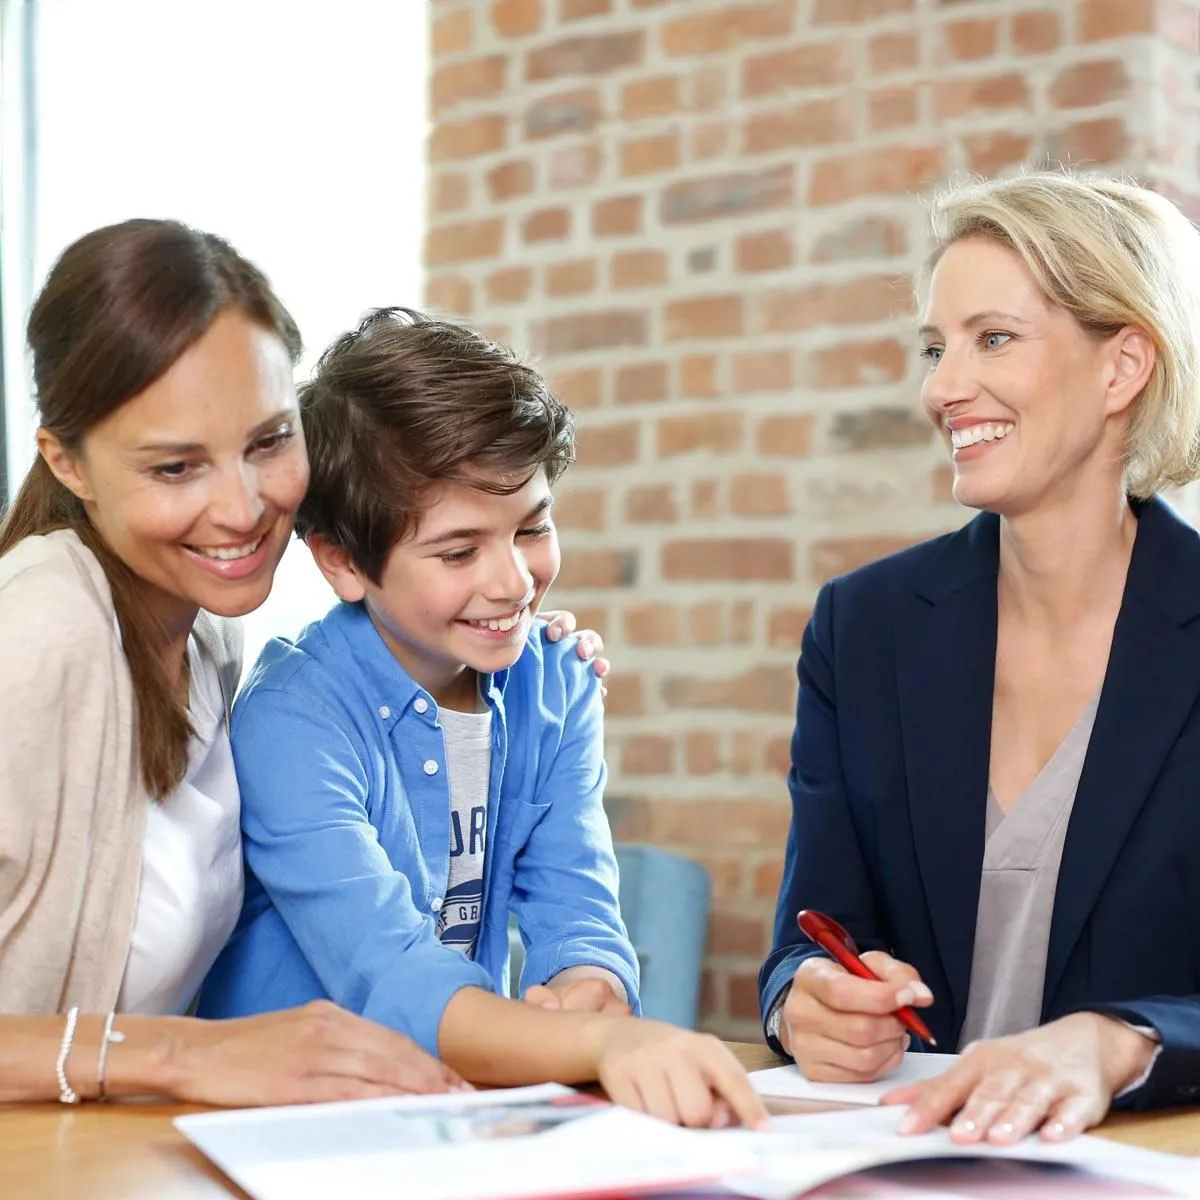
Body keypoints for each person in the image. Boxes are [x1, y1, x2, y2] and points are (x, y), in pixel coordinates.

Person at [0, 220, 598, 1107]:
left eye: (269, 441)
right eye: (176, 467)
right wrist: (184, 1056)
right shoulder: (44, 626)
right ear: (69, 464)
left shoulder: (208, 636)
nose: (244, 508)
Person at [198, 308, 766, 1131]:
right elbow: (388, 974)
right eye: (459, 551)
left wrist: (589, 986)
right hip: (288, 1124)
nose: (513, 583)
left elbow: (577, 899)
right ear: (343, 562)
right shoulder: (294, 721)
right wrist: (596, 1045)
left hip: (452, 1111)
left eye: (532, 528)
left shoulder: (557, 684)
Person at [759, 170, 1200, 1143]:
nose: (941, 388)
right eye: (935, 346)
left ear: (1122, 367)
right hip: (911, 1157)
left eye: (992, 338)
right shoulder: (861, 628)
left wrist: (1121, 1042)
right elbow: (813, 930)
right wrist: (807, 1001)